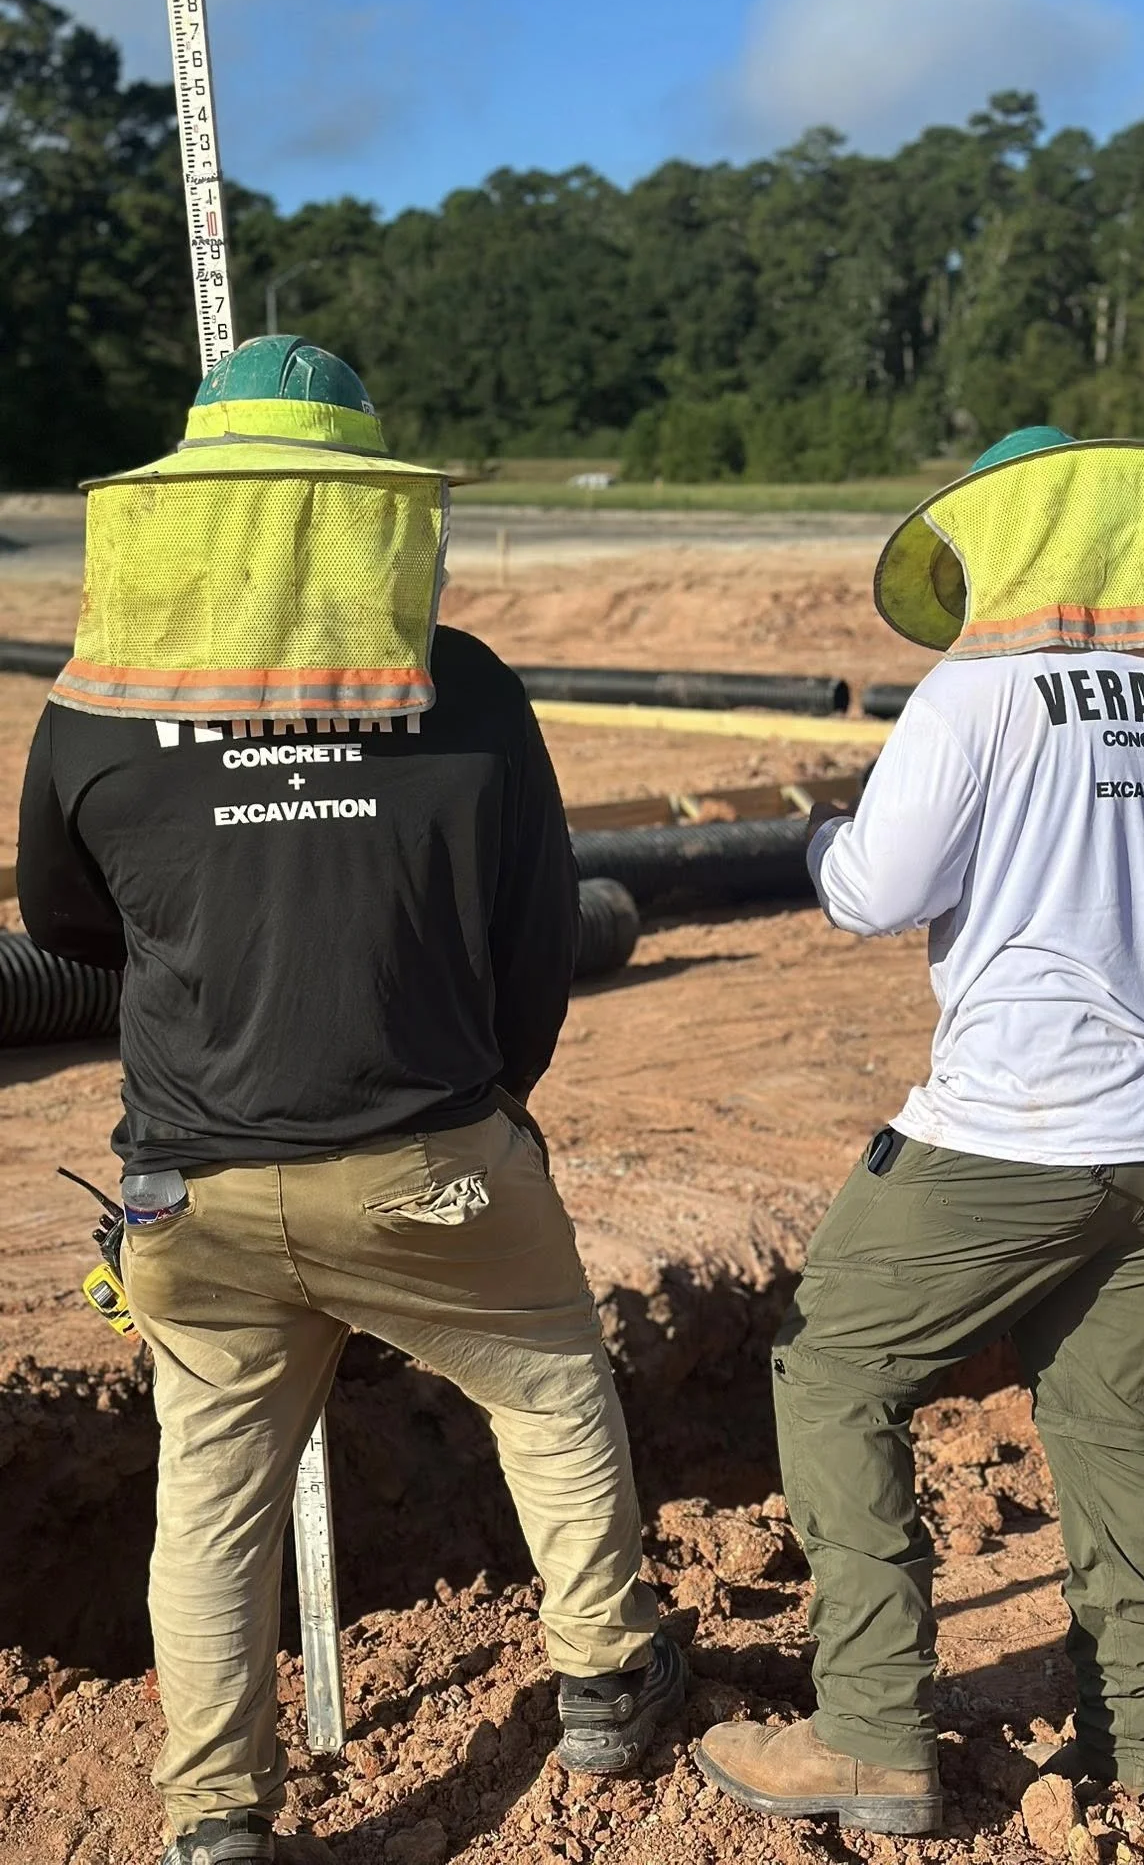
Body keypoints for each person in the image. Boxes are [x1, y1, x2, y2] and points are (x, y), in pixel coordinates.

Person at [18, 337, 685, 1865]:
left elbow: (67, 932)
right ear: (369, 504)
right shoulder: (467, 690)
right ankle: (602, 1684)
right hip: (430, 1160)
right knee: (548, 1385)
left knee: (213, 1493)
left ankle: (214, 1819)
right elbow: (536, 942)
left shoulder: (98, 707)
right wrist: (482, 1111)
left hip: (191, 1182)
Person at [697, 427, 1144, 1837]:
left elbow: (873, 894)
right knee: (1119, 1431)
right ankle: (1142, 1753)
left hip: (1019, 1132)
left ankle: (873, 1730)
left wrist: (825, 836)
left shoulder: (979, 697)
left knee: (835, 1369)